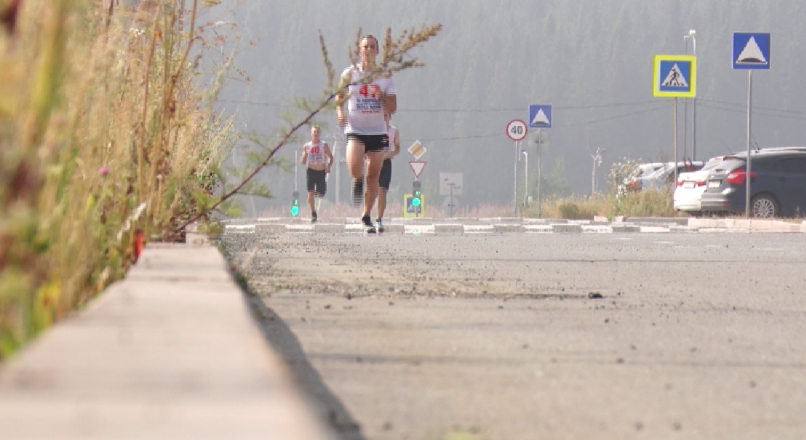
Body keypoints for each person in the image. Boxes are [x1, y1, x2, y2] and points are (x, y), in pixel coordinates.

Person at [335, 34, 396, 233]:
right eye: (365, 47)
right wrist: (340, 112)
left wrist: (381, 98)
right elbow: (339, 97)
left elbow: (393, 106)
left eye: (371, 47)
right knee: (355, 169)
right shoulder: (349, 74)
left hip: (377, 130)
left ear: (377, 51)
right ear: (359, 51)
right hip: (355, 129)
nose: (368, 50)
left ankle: (366, 216)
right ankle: (356, 180)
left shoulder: (385, 76)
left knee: (373, 178)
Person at [299, 125, 333, 223]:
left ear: (320, 134)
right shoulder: (307, 146)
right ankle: (313, 213)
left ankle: (320, 190)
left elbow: (330, 156)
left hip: (321, 171)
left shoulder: (323, 145)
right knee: (310, 192)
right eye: (314, 132)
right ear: (311, 133)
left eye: (318, 132)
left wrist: (328, 166)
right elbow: (302, 161)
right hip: (311, 170)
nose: (316, 133)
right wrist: (304, 155)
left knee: (320, 195)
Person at [375, 111, 399, 233]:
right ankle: (367, 215)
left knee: (382, 191)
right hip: (374, 161)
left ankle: (379, 219)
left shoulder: (393, 131)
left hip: (386, 163)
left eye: (386, 115)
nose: (384, 117)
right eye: (382, 115)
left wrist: (392, 153)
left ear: (389, 117)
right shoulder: (374, 129)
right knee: (373, 190)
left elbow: (397, 147)